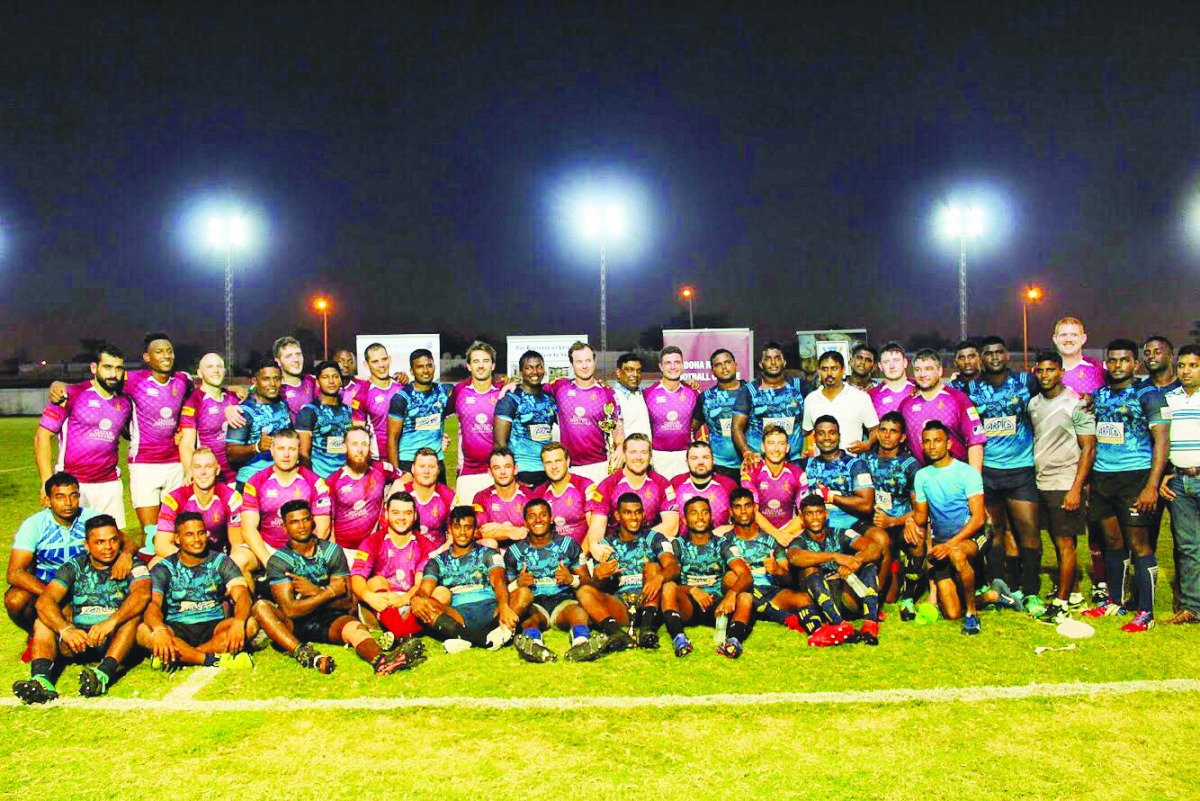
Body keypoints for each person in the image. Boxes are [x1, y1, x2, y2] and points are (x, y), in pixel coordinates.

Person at [253, 500, 418, 674]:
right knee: (261, 607)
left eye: (305, 519)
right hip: (295, 625)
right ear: (284, 527)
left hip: (330, 619)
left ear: (313, 521)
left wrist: (314, 591)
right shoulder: (279, 561)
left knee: (356, 629)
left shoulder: (331, 552)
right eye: (294, 522)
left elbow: (349, 604)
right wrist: (328, 592)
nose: (301, 526)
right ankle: (305, 654)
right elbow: (290, 610)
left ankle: (382, 661)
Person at [12, 515, 151, 704]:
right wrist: (66, 629)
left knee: (133, 618)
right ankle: (41, 680)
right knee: (42, 621)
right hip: (79, 640)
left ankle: (103, 675)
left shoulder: (133, 564)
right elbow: (45, 601)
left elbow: (141, 594)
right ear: (87, 545)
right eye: (100, 542)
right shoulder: (74, 566)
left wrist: (110, 622)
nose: (108, 547)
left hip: (115, 638)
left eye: (113, 540)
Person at [1080, 340, 1169, 632]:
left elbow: (1162, 442)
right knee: (1113, 542)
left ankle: (1146, 612)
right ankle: (1115, 602)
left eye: (1124, 360)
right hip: (1103, 479)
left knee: (1140, 545)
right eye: (1113, 360)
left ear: (1135, 364)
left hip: (1135, 478)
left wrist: (1151, 486)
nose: (1117, 365)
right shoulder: (1099, 395)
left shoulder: (1149, 395)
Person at [965, 336, 1045, 612]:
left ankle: (1031, 591)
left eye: (999, 352)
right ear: (981, 358)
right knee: (993, 531)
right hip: (988, 472)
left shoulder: (1026, 382)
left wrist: (1086, 398)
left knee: (1029, 532)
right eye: (988, 353)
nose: (994, 357)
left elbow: (1054, 390)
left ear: (1007, 355)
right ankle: (997, 586)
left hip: (1021, 470)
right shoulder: (971, 388)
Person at [137, 511, 256, 670]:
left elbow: (242, 594)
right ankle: (210, 659)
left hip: (214, 625)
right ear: (177, 539)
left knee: (250, 624)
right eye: (189, 535)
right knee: (143, 631)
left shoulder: (221, 561)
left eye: (201, 533)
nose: (197, 539)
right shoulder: (164, 567)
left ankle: (180, 655)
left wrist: (239, 622)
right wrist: (159, 630)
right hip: (177, 625)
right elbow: (153, 605)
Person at [1028, 351, 1096, 623]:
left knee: (1065, 543)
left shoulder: (1076, 403)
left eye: (1051, 370)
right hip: (1042, 481)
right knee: (1058, 541)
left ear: (1061, 372)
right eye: (1041, 370)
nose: (1045, 375)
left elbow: (1088, 448)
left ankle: (1061, 602)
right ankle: (1074, 593)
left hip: (1065, 482)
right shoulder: (1033, 403)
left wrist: (1076, 488)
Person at [6, 473, 113, 646]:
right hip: (47, 585)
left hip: (84, 585)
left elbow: (126, 543)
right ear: (48, 500)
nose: (68, 503)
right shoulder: (34, 525)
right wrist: (53, 597)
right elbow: (15, 573)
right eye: (60, 497)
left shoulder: (91, 518)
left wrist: (125, 555)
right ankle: (35, 634)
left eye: (73, 496)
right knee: (15, 600)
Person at [34, 342, 132, 527]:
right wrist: (46, 482)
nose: (113, 374)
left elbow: (133, 432)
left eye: (118, 368)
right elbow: (42, 436)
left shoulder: (125, 402)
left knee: (110, 539)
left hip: (109, 484)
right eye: (107, 367)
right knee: (73, 539)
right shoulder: (71, 394)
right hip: (73, 484)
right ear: (94, 368)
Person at [508, 499, 615, 663]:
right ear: (525, 522)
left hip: (563, 601)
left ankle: (581, 643)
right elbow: (506, 592)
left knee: (577, 613)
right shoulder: (514, 552)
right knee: (529, 619)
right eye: (532, 516)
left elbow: (588, 581)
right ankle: (534, 646)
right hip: (534, 603)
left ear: (551, 518)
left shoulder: (568, 545)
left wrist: (572, 579)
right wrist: (518, 583)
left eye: (543, 515)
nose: (538, 520)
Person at [908, 421, 988, 634]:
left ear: (949, 444)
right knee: (951, 613)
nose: (932, 446)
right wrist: (909, 522)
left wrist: (950, 544)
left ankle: (972, 614)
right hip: (943, 544)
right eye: (927, 442)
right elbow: (921, 517)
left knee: (956, 553)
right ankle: (991, 596)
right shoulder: (922, 476)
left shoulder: (967, 472)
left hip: (972, 537)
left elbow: (979, 518)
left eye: (937, 441)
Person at [410, 505, 517, 652]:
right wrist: (416, 599)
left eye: (468, 527)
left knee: (524, 594)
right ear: (450, 529)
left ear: (475, 530)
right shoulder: (437, 561)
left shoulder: (489, 553)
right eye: (457, 527)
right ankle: (483, 638)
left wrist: (504, 606)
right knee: (425, 605)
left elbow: (498, 581)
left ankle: (463, 638)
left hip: (491, 609)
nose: (462, 532)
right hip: (459, 615)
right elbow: (424, 590)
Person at [785, 494, 885, 646]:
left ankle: (870, 624)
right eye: (809, 514)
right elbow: (794, 557)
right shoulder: (799, 541)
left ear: (826, 514)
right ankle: (838, 625)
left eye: (819, 512)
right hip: (821, 601)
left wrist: (854, 562)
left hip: (846, 594)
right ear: (802, 517)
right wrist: (834, 556)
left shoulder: (840, 533)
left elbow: (874, 548)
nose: (815, 518)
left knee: (868, 564)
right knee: (810, 568)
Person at [659, 497, 753, 658]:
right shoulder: (677, 544)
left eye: (704, 512)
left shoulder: (722, 543)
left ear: (711, 517)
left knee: (741, 589)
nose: (700, 517)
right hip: (689, 605)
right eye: (694, 513)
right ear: (684, 519)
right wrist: (692, 590)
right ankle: (679, 639)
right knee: (668, 587)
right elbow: (670, 578)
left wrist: (731, 595)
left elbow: (746, 575)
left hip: (718, 606)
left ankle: (733, 641)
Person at [582, 493, 677, 649]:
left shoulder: (654, 537)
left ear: (643, 514)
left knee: (652, 567)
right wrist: (600, 576)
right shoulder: (606, 544)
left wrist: (659, 578)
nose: (634, 517)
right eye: (627, 512)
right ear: (617, 516)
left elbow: (673, 566)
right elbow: (599, 584)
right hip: (622, 605)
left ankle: (647, 628)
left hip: (649, 600)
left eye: (638, 512)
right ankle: (616, 633)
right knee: (584, 591)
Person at [726, 489, 822, 638]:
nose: (743, 511)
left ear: (755, 508)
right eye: (738, 507)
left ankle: (818, 632)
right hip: (744, 594)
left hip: (770, 591)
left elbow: (788, 579)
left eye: (748, 505)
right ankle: (780, 616)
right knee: (731, 577)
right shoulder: (725, 540)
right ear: (731, 511)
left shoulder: (772, 540)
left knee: (802, 598)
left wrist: (778, 570)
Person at [350, 491, 437, 643]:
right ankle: (402, 631)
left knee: (439, 591)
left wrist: (404, 599)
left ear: (415, 516)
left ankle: (401, 634)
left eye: (407, 513)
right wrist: (368, 596)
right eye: (396, 513)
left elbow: (421, 585)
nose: (401, 518)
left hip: (412, 601)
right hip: (383, 602)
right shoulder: (372, 541)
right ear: (386, 514)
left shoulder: (425, 545)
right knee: (375, 581)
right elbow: (357, 577)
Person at [155, 448, 253, 583]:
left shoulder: (231, 497)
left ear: (217, 470)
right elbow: (162, 545)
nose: (203, 472)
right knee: (155, 566)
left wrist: (217, 566)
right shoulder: (174, 499)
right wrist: (194, 565)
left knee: (241, 559)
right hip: (186, 556)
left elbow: (237, 544)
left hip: (220, 555)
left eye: (208, 467)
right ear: (191, 470)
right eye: (197, 467)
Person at [240, 428, 332, 571]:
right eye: (281, 449)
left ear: (299, 451)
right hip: (267, 547)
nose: (286, 455)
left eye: (292, 449)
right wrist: (270, 563)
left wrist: (303, 557)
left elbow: (322, 529)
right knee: (239, 560)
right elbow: (248, 529)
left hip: (303, 548)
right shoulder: (255, 482)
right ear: (272, 450)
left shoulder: (315, 483)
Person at [799, 416, 887, 551]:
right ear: (815, 438)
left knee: (881, 539)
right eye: (821, 433)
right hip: (816, 526)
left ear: (839, 436)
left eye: (832, 433)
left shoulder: (855, 465)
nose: (827, 438)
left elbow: (866, 505)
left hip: (852, 524)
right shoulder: (805, 464)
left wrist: (831, 497)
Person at [863, 412, 921, 606]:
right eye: (883, 430)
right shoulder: (864, 460)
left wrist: (895, 521)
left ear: (902, 437)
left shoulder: (910, 466)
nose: (887, 435)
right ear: (877, 433)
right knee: (888, 598)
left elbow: (920, 509)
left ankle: (909, 595)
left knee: (918, 540)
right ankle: (890, 569)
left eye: (893, 431)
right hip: (873, 525)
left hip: (900, 523)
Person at [1160, 344, 1200, 624]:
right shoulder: (1168, 399)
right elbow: (1163, 440)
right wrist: (1166, 472)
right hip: (1180, 481)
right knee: (1188, 547)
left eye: (1194, 365)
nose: (1186, 371)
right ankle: (1191, 608)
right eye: (1182, 365)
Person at [545, 342, 623, 483]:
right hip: (568, 467)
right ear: (572, 364)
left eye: (588, 360)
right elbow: (532, 388)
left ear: (594, 362)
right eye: (579, 362)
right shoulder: (560, 387)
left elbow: (617, 426)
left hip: (599, 466)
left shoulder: (607, 393)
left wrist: (621, 447)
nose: (584, 366)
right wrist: (512, 385)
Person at [587, 434, 680, 551]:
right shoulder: (607, 486)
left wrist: (637, 541)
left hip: (650, 544)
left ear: (650, 456)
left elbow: (672, 527)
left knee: (672, 543)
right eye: (633, 452)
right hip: (618, 547)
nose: (638, 457)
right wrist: (594, 546)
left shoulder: (662, 484)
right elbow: (597, 528)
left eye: (644, 452)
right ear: (624, 455)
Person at [899, 348, 986, 469]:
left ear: (940, 371)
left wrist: (974, 478)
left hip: (955, 476)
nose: (922, 374)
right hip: (920, 477)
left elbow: (975, 442)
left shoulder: (959, 399)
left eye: (928, 369)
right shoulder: (906, 405)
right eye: (918, 370)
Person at [732, 341, 812, 469]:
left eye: (777, 358)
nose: (773, 362)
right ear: (761, 364)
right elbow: (737, 428)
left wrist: (805, 445)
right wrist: (746, 452)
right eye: (768, 359)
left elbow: (815, 418)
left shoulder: (800, 386)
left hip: (794, 461)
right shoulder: (750, 391)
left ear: (784, 362)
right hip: (760, 462)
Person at [325, 425, 401, 559]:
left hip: (373, 549)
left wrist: (397, 485)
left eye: (364, 444)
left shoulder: (381, 469)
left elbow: (407, 476)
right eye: (354, 444)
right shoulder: (333, 481)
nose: (360, 450)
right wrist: (334, 555)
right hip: (344, 551)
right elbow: (328, 524)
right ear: (344, 447)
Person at [449, 341, 505, 503]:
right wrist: (441, 437)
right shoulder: (459, 391)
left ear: (493, 365)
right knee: (465, 517)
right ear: (469, 366)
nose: (481, 366)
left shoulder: (503, 392)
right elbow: (438, 414)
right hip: (468, 471)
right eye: (476, 361)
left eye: (486, 361)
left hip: (496, 470)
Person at [224, 358, 293, 489]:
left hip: (281, 479)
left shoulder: (283, 404)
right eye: (266, 379)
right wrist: (256, 447)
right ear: (255, 381)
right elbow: (231, 453)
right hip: (251, 482)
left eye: (277, 379)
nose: (272, 384)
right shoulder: (243, 411)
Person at [493, 350, 558, 486]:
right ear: (521, 372)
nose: (535, 372)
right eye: (529, 368)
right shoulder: (511, 399)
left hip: (548, 470)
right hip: (522, 471)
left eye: (539, 367)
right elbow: (500, 444)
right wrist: (513, 477)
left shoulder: (550, 399)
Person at [387, 348, 453, 480]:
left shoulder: (444, 391)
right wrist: (397, 474)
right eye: (420, 367)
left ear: (434, 367)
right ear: (412, 371)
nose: (425, 370)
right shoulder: (402, 398)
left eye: (429, 365)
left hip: (436, 461)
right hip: (409, 462)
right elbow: (392, 439)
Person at [179, 352, 241, 486]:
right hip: (210, 479)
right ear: (199, 373)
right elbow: (187, 444)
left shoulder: (233, 398)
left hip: (238, 476)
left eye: (219, 366)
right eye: (210, 367)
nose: (215, 370)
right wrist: (191, 472)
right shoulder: (193, 401)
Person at [802, 350, 879, 454]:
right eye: (824, 369)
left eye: (834, 368)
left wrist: (868, 444)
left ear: (843, 370)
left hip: (851, 461)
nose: (829, 373)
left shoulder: (861, 397)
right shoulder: (811, 399)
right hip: (821, 462)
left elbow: (875, 429)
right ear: (819, 371)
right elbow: (807, 432)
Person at [644, 346, 701, 480]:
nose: (673, 367)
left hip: (685, 455)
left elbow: (700, 425)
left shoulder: (693, 392)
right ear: (661, 367)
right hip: (658, 456)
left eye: (677, 362)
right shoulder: (648, 394)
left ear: (682, 365)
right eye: (668, 363)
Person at [741, 424, 809, 531]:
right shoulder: (751, 471)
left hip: (788, 532)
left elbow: (805, 513)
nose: (776, 449)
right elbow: (751, 512)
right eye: (771, 443)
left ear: (787, 448)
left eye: (781, 444)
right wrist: (775, 536)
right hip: (759, 533)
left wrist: (781, 536)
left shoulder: (798, 474)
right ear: (763, 447)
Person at [693, 348, 746, 481]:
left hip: (752, 464)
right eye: (718, 365)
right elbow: (691, 428)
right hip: (720, 468)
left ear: (735, 365)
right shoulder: (706, 398)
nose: (724, 367)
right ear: (712, 371)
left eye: (727, 362)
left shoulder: (752, 392)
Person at [296, 360, 354, 479]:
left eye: (335, 377)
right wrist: (311, 482)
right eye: (325, 377)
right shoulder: (309, 411)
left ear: (340, 380)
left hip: (346, 479)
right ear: (317, 382)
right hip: (321, 479)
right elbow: (303, 453)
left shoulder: (349, 410)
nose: (331, 381)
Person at [348, 342, 404, 465]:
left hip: (405, 456)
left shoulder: (402, 387)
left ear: (389, 359)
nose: (381, 365)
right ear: (366, 364)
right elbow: (358, 432)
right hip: (377, 461)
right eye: (375, 361)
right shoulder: (361, 393)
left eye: (384, 359)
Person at [532, 443, 596, 546]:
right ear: (543, 466)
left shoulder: (585, 486)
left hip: (584, 551)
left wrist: (582, 553)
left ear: (567, 461)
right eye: (548, 462)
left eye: (558, 461)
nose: (554, 467)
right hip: (553, 552)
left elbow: (595, 529)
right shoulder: (539, 493)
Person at [670, 440, 739, 532]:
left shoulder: (728, 485)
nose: (700, 462)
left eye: (705, 457)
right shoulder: (675, 483)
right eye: (694, 458)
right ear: (687, 462)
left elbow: (740, 519)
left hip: (720, 540)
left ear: (713, 461)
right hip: (682, 540)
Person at [471, 447, 533, 546]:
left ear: (515, 469)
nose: (502, 472)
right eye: (497, 468)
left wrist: (499, 528)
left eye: (507, 467)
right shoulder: (481, 497)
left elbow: (531, 531)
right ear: (490, 472)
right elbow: (483, 532)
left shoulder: (529, 497)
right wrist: (509, 532)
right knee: (489, 543)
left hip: (522, 549)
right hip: (492, 551)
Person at [401, 447, 457, 549]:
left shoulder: (448, 496)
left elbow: (454, 536)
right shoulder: (402, 494)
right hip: (407, 554)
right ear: (413, 468)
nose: (426, 471)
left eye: (431, 467)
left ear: (438, 470)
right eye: (421, 466)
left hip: (439, 554)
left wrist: (436, 555)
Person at [1052, 317, 1106, 395]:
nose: (1068, 339)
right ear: (1055, 339)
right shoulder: (1043, 372)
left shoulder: (1099, 370)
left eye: (1074, 335)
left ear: (1083, 338)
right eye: (1063, 335)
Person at [274, 336, 318, 421]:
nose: (296, 360)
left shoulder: (312, 381)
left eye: (298, 354)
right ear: (278, 361)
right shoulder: (274, 388)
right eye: (288, 356)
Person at [611, 352, 651, 441]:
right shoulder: (612, 397)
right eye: (630, 370)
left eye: (638, 371)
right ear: (618, 372)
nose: (635, 374)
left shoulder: (643, 394)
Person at [869, 341, 915, 418]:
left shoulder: (920, 389)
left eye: (896, 360)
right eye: (886, 362)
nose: (892, 366)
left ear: (905, 363)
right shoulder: (872, 396)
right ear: (880, 366)